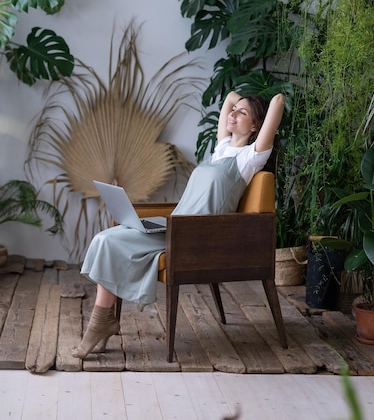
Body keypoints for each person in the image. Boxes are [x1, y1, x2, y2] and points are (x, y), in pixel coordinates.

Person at [72, 90, 285, 358]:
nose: (232, 113)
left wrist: (253, 106)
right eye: (234, 111)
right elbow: (228, 97)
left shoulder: (250, 158)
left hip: (196, 237)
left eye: (242, 113)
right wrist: (238, 105)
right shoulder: (222, 149)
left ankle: (98, 326)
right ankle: (103, 322)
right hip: (176, 226)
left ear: (256, 126)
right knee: (106, 238)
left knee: (109, 241)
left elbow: (277, 101)